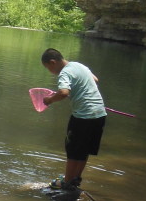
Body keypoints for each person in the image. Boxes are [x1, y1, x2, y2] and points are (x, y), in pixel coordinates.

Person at [41, 47, 107, 193]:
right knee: (84, 150)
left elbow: (64, 92)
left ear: (53, 62)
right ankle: (75, 179)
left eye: (48, 68)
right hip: (100, 114)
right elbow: (95, 80)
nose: (50, 71)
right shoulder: (79, 66)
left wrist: (50, 100)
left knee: (73, 150)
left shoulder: (64, 73)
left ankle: (66, 182)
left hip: (83, 116)